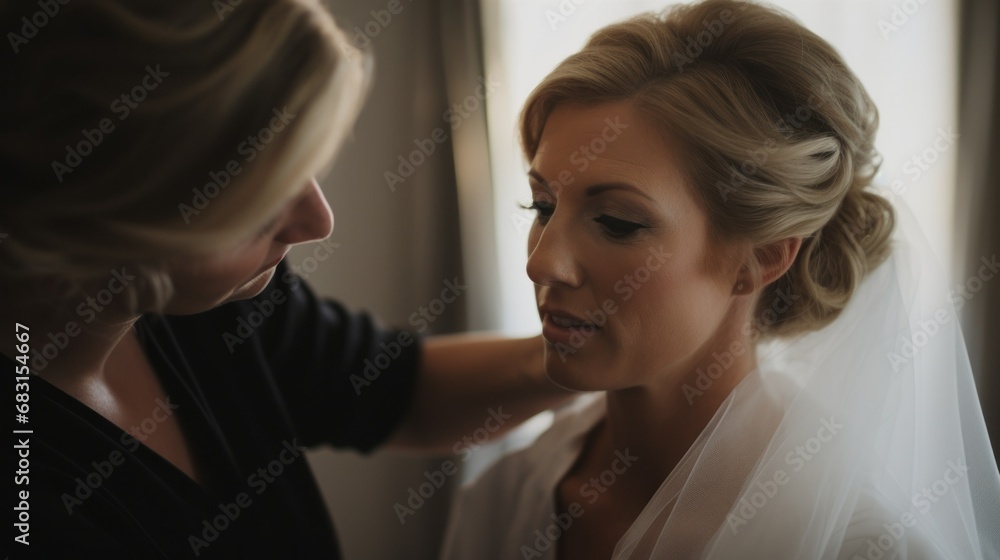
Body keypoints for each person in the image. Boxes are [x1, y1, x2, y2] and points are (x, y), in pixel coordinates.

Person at [0, 0, 570, 558]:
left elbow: (394, 392)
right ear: (122, 199)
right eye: (265, 191)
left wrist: (578, 351)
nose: (317, 221)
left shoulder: (216, 300)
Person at [440, 1, 1000, 558]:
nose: (541, 264)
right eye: (541, 206)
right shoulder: (504, 498)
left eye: (616, 222)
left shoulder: (859, 546)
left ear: (761, 260)